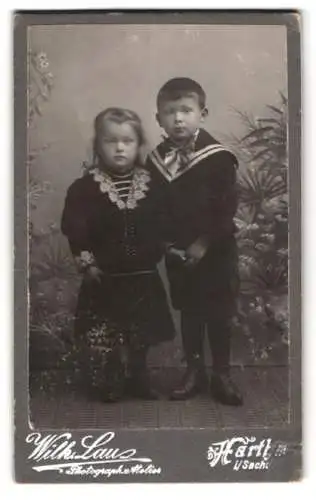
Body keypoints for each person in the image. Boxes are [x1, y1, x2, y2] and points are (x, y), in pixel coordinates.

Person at [61, 107, 174, 402]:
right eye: (111, 141)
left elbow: (162, 220)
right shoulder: (84, 189)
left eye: (127, 141)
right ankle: (111, 378)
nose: (120, 148)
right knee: (108, 332)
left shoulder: (153, 185)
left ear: (139, 145)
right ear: (98, 145)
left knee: (141, 333)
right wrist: (87, 265)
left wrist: (162, 246)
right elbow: (75, 230)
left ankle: (139, 377)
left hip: (142, 275)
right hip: (105, 276)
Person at [146, 77, 243, 405]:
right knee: (190, 312)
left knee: (218, 313)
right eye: (169, 112)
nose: (178, 119)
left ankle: (222, 374)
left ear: (203, 113)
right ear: (158, 118)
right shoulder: (156, 161)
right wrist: (164, 245)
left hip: (215, 251)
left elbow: (226, 209)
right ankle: (194, 372)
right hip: (179, 255)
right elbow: (154, 209)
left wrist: (203, 243)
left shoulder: (218, 158)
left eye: (186, 110)